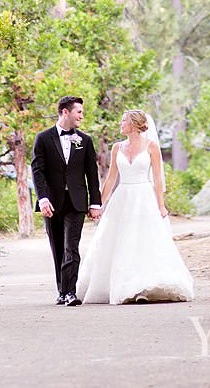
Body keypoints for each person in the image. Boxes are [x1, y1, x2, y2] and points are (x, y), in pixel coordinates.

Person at [76, 109, 193, 305]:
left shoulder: (151, 147)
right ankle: (124, 286)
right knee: (120, 241)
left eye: (123, 121)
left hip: (144, 198)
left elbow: (156, 179)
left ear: (134, 124)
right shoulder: (117, 148)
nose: (120, 124)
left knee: (143, 241)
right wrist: (98, 204)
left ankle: (143, 287)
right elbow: (111, 177)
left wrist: (161, 206)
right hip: (122, 198)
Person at [31, 95, 102, 306]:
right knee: (58, 248)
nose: (82, 115)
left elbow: (92, 173)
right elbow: (38, 171)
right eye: (78, 111)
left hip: (77, 202)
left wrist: (95, 203)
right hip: (51, 203)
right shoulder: (43, 138)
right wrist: (42, 199)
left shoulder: (85, 140)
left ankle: (70, 292)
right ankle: (62, 291)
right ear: (65, 112)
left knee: (72, 247)